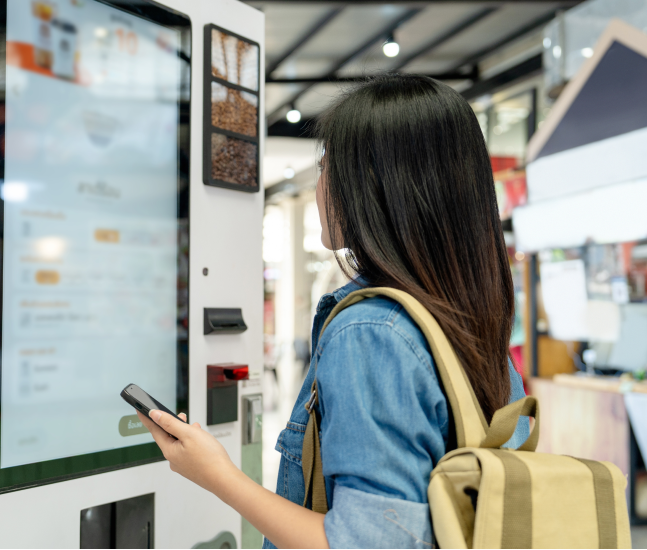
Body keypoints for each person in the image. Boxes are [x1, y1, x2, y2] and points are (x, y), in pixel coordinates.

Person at [137, 73, 529, 549]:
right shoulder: (472, 326)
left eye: (325, 165)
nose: (321, 185)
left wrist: (217, 475)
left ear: (376, 186)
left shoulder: (371, 331)